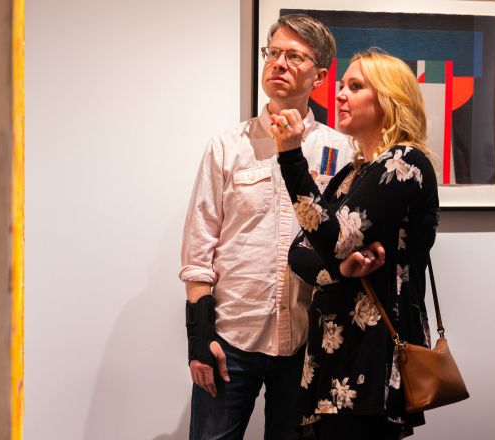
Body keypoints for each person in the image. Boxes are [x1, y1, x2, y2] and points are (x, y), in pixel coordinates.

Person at [179, 14, 351, 440]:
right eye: (273, 53)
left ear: (320, 75)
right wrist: (199, 339)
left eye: (294, 56)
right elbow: (198, 251)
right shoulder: (227, 146)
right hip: (231, 340)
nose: (278, 63)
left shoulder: (340, 149)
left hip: (307, 344)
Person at [269, 50, 440, 439]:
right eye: (342, 85)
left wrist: (291, 158)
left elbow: (334, 238)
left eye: (356, 86)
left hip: (371, 358)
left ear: (389, 100)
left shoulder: (405, 162)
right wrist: (340, 270)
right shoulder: (352, 172)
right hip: (332, 356)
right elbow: (300, 251)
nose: (340, 94)